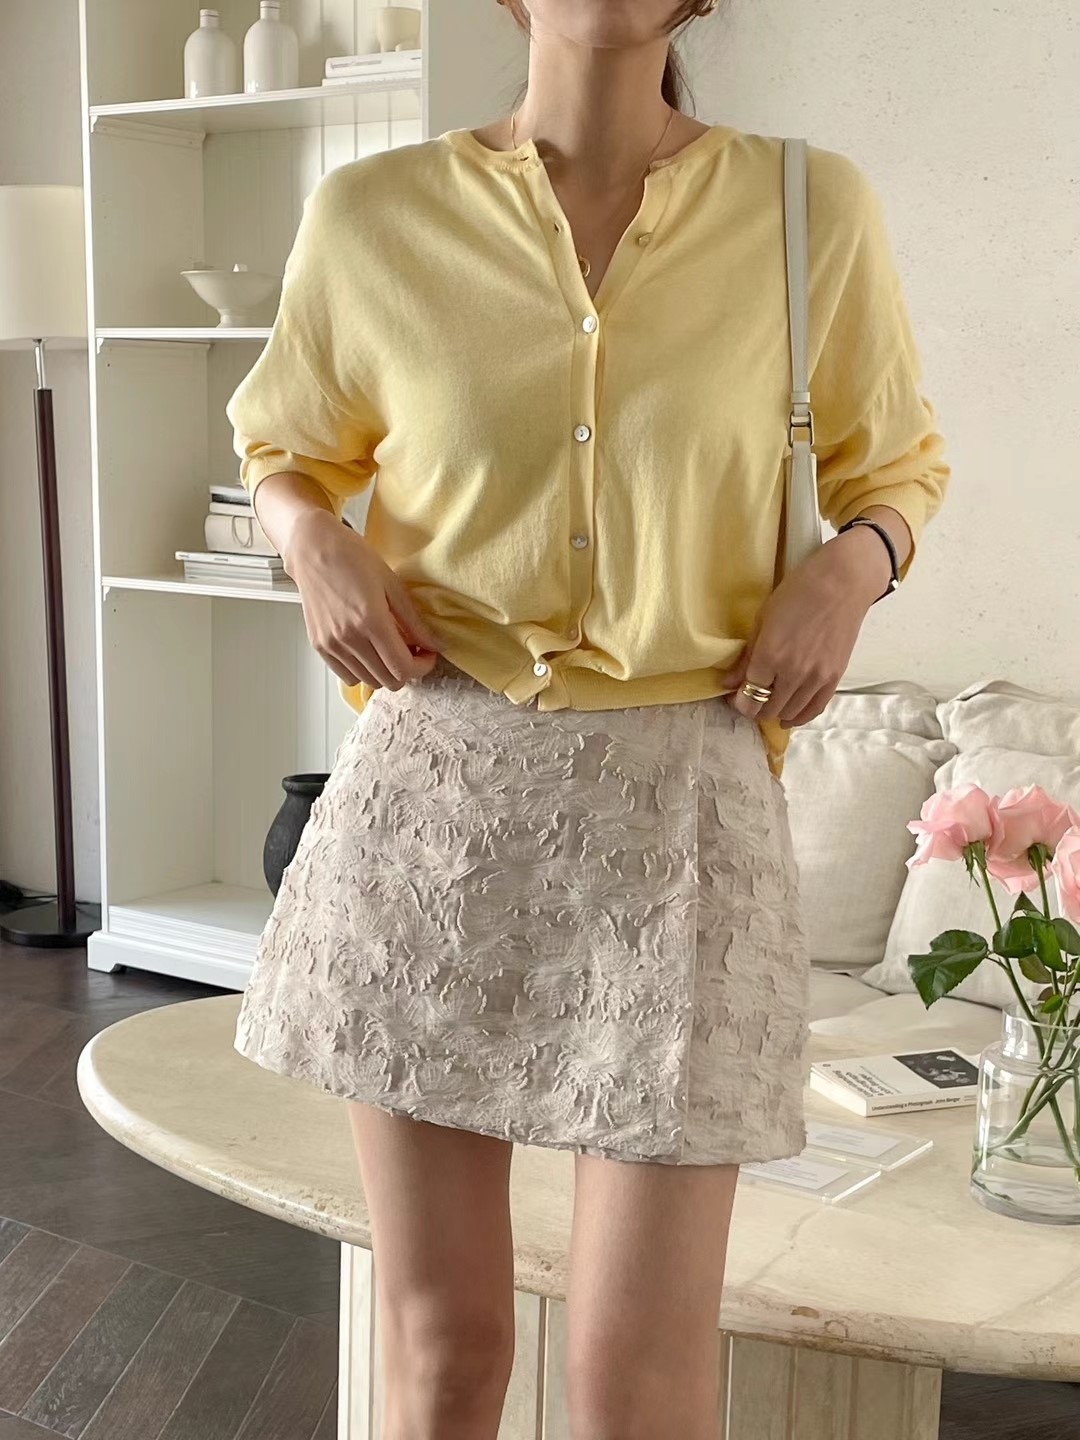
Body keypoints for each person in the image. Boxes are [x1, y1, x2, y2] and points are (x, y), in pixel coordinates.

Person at [224, 2, 950, 1434]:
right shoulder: (375, 214)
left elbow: (899, 469)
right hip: (437, 799)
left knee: (640, 1380)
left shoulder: (808, 209)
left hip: (682, 819)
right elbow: (282, 449)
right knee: (442, 1349)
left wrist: (849, 572)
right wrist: (313, 541)